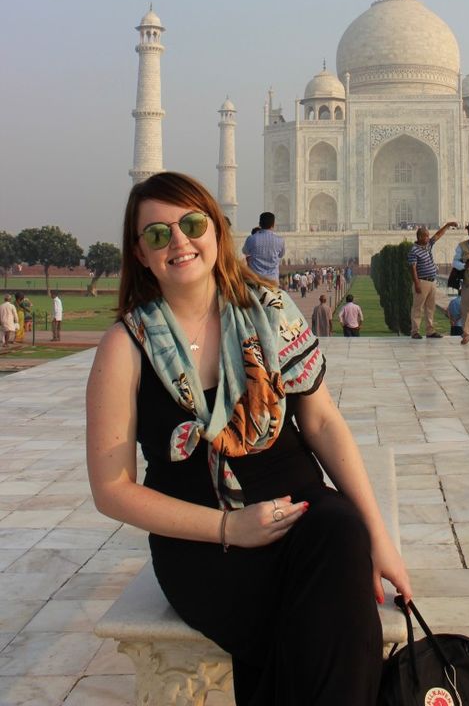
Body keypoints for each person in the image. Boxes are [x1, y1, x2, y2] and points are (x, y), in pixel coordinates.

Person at [86, 172, 410, 705]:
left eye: (192, 224)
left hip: (299, 514)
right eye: (158, 234)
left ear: (217, 230)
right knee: (318, 628)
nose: (180, 242)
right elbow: (112, 489)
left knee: (342, 534)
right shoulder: (126, 346)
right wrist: (229, 526)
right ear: (140, 254)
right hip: (203, 544)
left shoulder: (270, 310)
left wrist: (380, 537)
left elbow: (323, 423)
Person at [407, 220, 458, 340]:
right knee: (417, 308)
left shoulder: (428, 245)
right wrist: (417, 283)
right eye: (425, 236)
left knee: (430, 308)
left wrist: (447, 225)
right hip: (422, 281)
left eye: (428, 236)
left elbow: (438, 235)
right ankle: (415, 331)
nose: (428, 238)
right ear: (419, 237)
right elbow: (413, 268)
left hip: (431, 281)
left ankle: (430, 331)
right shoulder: (414, 250)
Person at [242, 213, 285, 283]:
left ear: (260, 224)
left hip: (255, 280)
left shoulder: (251, 239)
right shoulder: (280, 240)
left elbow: (245, 251)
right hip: (273, 280)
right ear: (273, 224)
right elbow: (281, 255)